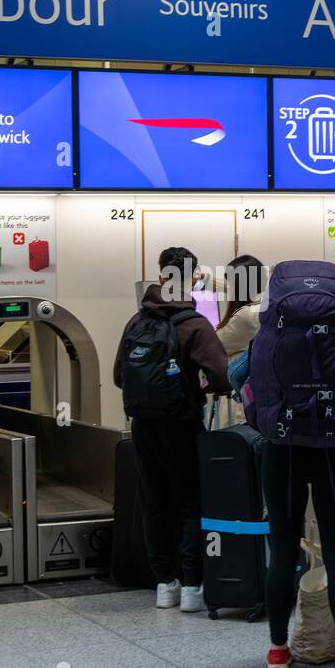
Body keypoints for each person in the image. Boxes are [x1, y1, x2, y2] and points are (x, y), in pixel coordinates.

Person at [247, 260, 335, 668]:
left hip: (281, 450)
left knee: (283, 552)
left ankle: (277, 651)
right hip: (333, 450)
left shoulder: (269, 334)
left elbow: (241, 377)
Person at [114, 246, 231, 612]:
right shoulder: (195, 325)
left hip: (143, 427)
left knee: (155, 501)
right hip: (181, 425)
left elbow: (119, 375)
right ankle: (193, 587)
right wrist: (200, 388)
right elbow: (222, 377)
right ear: (194, 278)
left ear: (161, 276)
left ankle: (166, 583)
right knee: (190, 502)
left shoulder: (137, 321)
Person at [216, 254, 266, 402]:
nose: (228, 288)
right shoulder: (267, 302)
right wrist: (205, 279)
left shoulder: (244, 316)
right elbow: (228, 287)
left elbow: (214, 345)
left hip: (239, 407)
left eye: (230, 284)